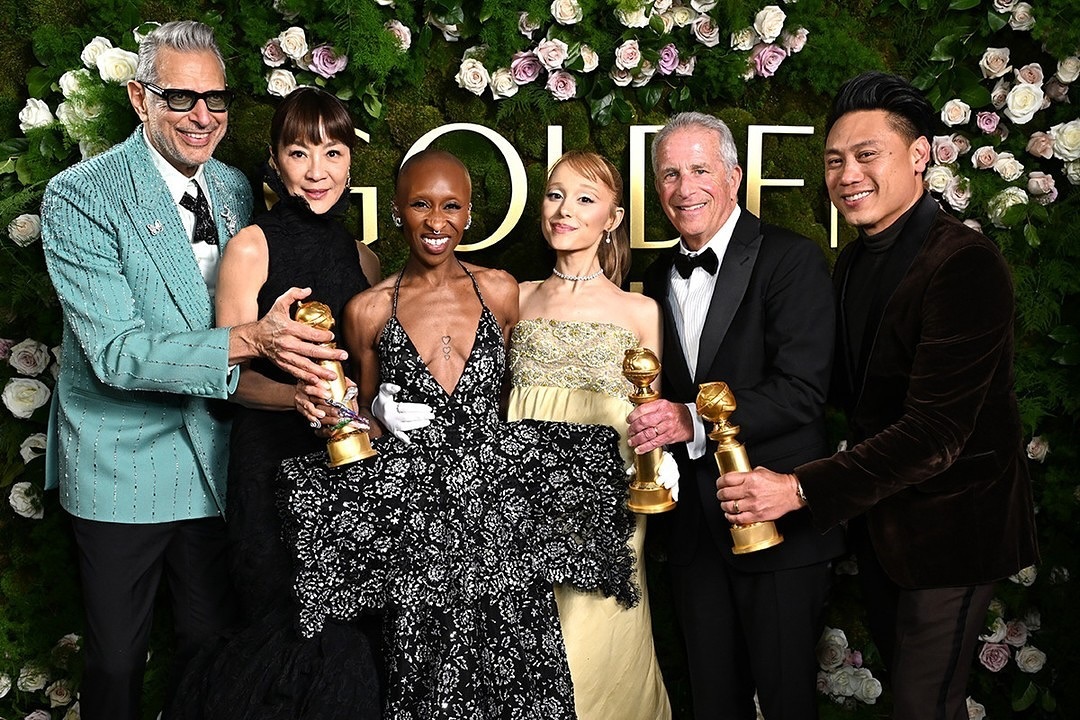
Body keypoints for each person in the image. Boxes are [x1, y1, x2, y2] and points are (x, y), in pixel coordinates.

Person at [40, 21, 345, 720]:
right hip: (122, 467)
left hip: (218, 459)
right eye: (180, 98)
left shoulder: (234, 187)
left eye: (216, 98)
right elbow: (117, 353)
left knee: (213, 654)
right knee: (118, 661)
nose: (201, 116)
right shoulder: (81, 194)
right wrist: (252, 340)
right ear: (138, 98)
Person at [716, 72, 1039, 720]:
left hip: (955, 532)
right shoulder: (855, 261)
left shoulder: (964, 263)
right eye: (834, 160)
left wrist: (798, 489)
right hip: (886, 530)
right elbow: (842, 388)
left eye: (867, 155)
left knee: (922, 707)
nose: (847, 175)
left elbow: (934, 434)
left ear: (919, 156)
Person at [285, 149, 638, 719]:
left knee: (524, 679)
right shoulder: (367, 311)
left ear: (469, 214)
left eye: (451, 206)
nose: (436, 221)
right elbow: (360, 427)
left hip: (500, 520)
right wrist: (374, 412)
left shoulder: (499, 291)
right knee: (428, 682)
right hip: (418, 529)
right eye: (420, 205)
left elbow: (521, 395)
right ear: (396, 211)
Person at [168, 86, 382, 720]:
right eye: (299, 152)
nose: (317, 172)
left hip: (349, 474)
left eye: (332, 153)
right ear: (275, 160)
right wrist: (297, 397)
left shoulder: (365, 260)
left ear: (350, 162)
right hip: (270, 475)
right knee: (280, 626)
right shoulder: (251, 247)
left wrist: (363, 414)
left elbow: (366, 378)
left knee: (349, 632)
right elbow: (225, 377)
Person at [626, 112, 845, 719]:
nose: (684, 188)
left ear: (734, 176)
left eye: (700, 169)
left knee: (786, 703)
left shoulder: (790, 258)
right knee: (712, 704)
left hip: (777, 525)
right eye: (670, 174)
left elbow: (802, 390)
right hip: (694, 537)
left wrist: (689, 419)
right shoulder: (655, 278)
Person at [507, 150, 672, 719]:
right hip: (522, 493)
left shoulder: (641, 310)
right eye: (555, 195)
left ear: (613, 218)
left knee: (595, 635)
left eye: (584, 199)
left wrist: (658, 459)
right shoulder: (516, 298)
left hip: (607, 496)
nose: (564, 210)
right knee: (530, 643)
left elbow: (649, 412)